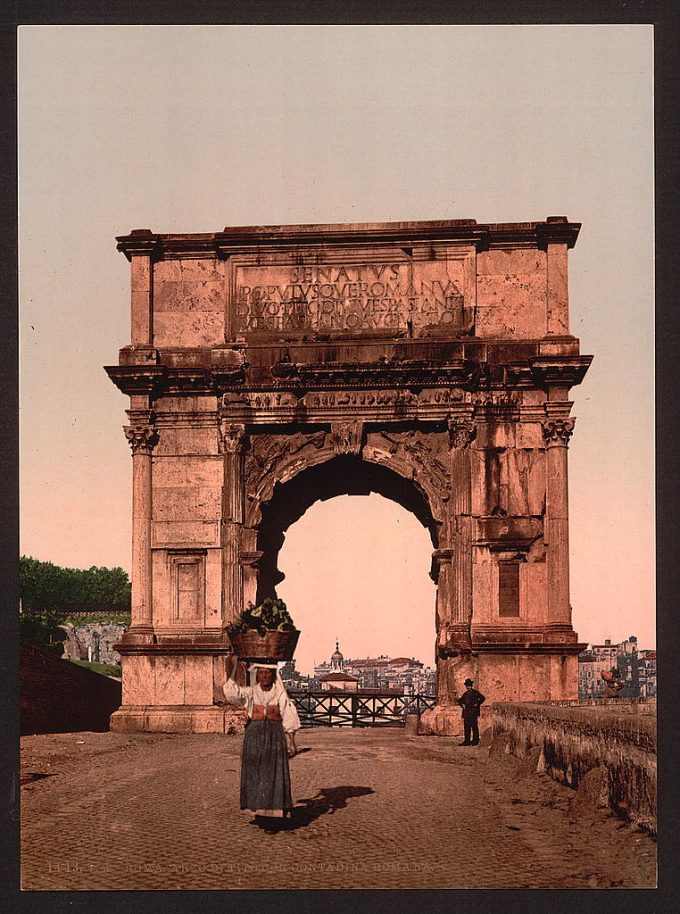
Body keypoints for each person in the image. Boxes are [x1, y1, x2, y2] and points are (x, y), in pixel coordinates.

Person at [223, 658, 301, 822]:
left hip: (275, 735)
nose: (264, 676)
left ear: (273, 675)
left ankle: (275, 810)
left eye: (267, 673)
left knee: (273, 771)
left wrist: (291, 742)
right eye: (261, 673)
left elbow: (288, 714)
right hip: (255, 735)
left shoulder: (279, 693)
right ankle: (259, 808)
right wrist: (234, 667)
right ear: (257, 675)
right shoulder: (251, 692)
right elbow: (231, 692)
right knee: (256, 771)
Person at [458, 677, 486, 746]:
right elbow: (460, 701)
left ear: (471, 686)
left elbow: (483, 698)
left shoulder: (475, 693)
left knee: (474, 727)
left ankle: (475, 741)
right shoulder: (465, 694)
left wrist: (478, 704)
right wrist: (462, 705)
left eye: (469, 686)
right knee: (467, 727)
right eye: (467, 686)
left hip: (473, 712)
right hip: (467, 712)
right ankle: (467, 741)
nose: (468, 687)